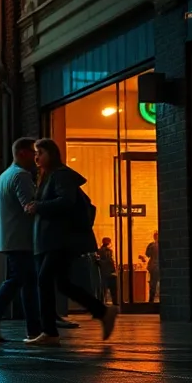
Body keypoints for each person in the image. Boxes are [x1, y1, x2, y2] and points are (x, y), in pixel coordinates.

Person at [24, 139, 119, 345]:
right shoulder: (47, 177)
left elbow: (66, 201)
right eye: (35, 153)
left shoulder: (61, 175)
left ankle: (50, 332)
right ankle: (103, 312)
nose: (36, 157)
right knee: (63, 284)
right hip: (50, 240)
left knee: (45, 280)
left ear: (51, 153)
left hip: (60, 239)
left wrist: (38, 206)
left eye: (40, 152)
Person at [0, 137, 41, 343]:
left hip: (8, 238)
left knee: (23, 281)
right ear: (23, 153)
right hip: (21, 238)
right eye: (34, 154)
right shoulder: (21, 176)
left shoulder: (3, 177)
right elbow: (29, 206)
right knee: (23, 281)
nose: (36, 159)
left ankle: (30, 328)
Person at [96, 237, 118, 305]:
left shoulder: (103, 251)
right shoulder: (103, 251)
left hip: (106, 272)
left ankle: (105, 302)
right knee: (107, 289)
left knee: (106, 289)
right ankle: (113, 302)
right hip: (106, 272)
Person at [142, 231, 160, 303]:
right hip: (161, 266)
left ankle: (151, 301)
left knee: (153, 284)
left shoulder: (151, 245)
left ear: (154, 237)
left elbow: (147, 254)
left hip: (153, 267)